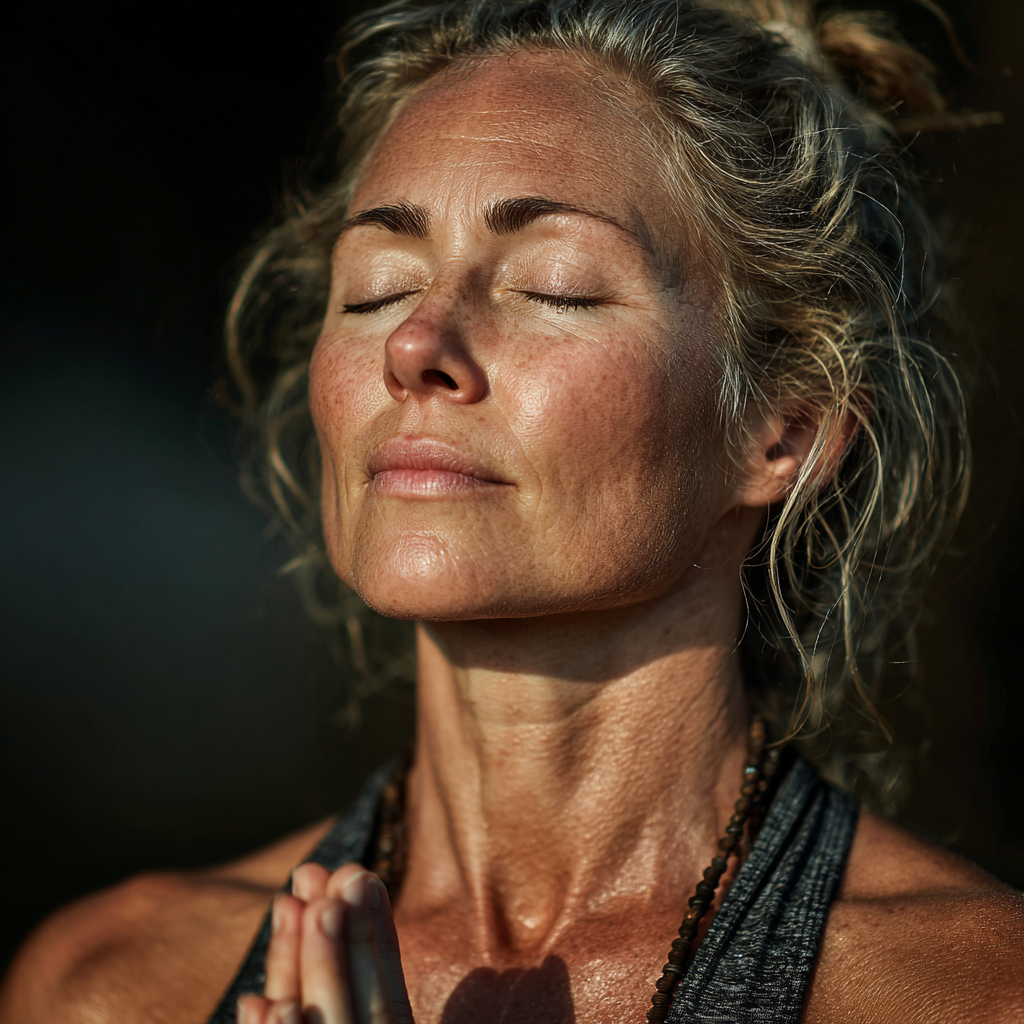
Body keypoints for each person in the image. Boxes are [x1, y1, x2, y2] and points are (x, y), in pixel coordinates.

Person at [1, 1, 1021, 1021]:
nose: (415, 344)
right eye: (374, 288)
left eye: (554, 286)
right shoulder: (115, 987)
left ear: (780, 431)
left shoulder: (971, 991)